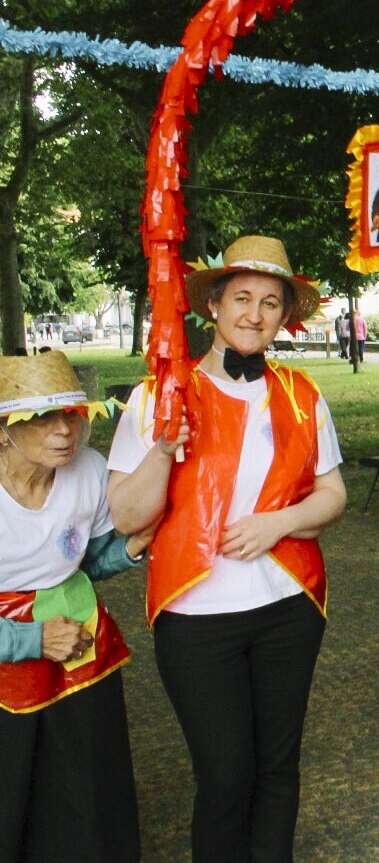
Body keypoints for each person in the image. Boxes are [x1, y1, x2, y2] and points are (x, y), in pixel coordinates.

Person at [108, 234, 345, 862]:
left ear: (284, 316)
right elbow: (126, 514)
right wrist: (162, 445)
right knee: (224, 776)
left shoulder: (302, 395)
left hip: (289, 607)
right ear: (212, 305)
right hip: (195, 617)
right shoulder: (159, 392)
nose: (255, 314)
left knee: (278, 769)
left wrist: (280, 523)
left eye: (271, 302)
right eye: (242, 297)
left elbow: (332, 497)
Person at [0, 352, 148, 862]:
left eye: (72, 415)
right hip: (9, 657)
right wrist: (31, 640)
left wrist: (130, 550)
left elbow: (85, 560)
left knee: (87, 778)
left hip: (83, 645)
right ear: (2, 430)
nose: (64, 430)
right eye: (41, 417)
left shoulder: (88, 470)